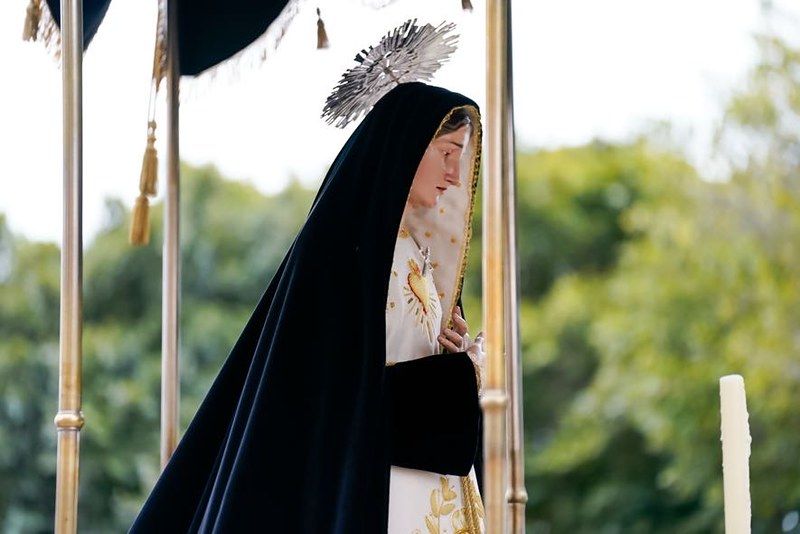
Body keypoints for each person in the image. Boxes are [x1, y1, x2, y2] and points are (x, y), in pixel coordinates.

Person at [129, 81, 485, 533]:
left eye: (460, 156)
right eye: (447, 152)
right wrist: (462, 375)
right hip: (375, 491)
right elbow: (333, 390)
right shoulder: (346, 252)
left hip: (429, 490)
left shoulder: (417, 252)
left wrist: (452, 362)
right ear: (408, 145)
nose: (455, 174)